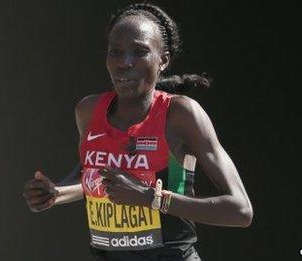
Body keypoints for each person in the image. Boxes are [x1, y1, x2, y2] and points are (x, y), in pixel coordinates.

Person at [23, 3, 253, 260]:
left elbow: (240, 211)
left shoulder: (180, 115)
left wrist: (151, 198)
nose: (125, 63)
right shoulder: (88, 111)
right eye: (115, 52)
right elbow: (95, 177)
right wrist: (56, 192)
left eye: (139, 52)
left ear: (163, 60)